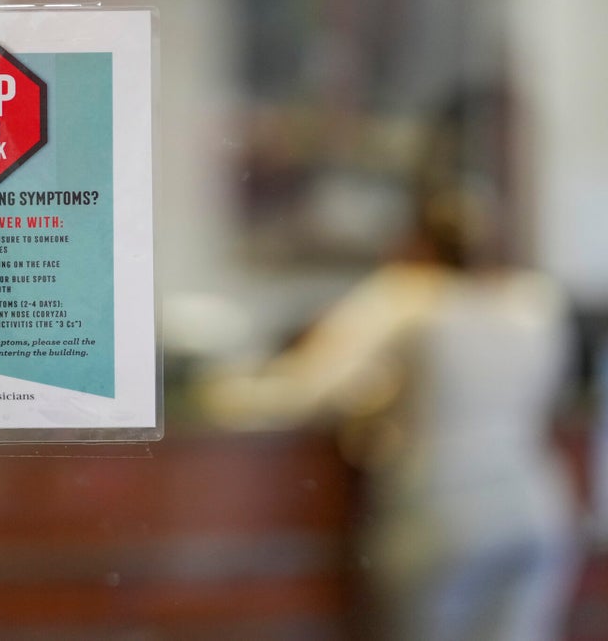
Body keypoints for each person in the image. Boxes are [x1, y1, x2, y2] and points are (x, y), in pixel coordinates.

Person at [201, 187, 580, 639]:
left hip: (442, 513)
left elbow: (310, 393)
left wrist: (223, 393)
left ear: (415, 246)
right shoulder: (534, 303)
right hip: (535, 509)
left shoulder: (403, 302)